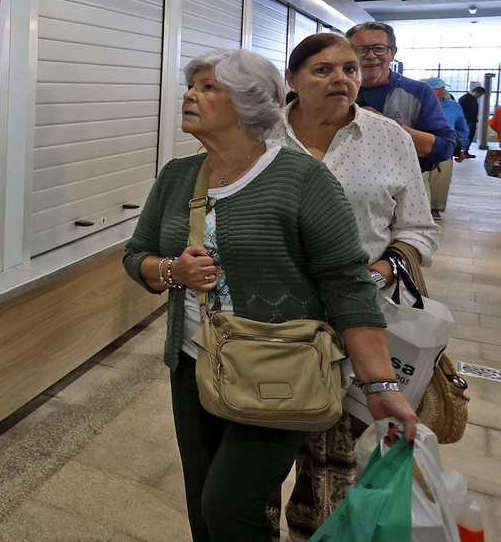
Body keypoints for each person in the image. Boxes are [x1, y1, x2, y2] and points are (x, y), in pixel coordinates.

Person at [122, 48, 416, 542]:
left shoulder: (303, 180)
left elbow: (346, 284)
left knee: (230, 504)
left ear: (250, 103)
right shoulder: (177, 176)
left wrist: (379, 385)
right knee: (203, 504)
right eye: (191, 86)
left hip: (283, 370)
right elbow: (137, 257)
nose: (190, 96)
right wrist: (173, 270)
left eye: (209, 87)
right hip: (196, 364)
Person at [273, 34, 437, 536]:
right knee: (257, 460)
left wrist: (384, 269)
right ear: (291, 80)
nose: (342, 79)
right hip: (271, 325)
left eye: (349, 69)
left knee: (334, 464)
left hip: (358, 326)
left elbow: (417, 229)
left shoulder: (389, 138)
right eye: (323, 70)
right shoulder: (261, 135)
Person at [345, 22, 457, 172]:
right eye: (361, 49)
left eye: (379, 48)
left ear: (392, 53)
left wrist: (387, 126)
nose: (371, 56)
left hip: (405, 183)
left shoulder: (418, 92)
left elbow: (445, 147)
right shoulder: (336, 91)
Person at [422, 79, 469, 219]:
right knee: (420, 179)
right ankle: (422, 208)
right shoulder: (419, 104)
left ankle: (435, 208)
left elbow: (462, 129)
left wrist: (462, 148)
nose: (441, 91)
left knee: (441, 179)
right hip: (422, 146)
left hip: (445, 147)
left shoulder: (454, 107)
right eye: (437, 88)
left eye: (442, 87)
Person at [458, 84, 484, 157]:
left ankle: (466, 151)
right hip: (467, 121)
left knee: (470, 137)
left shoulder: (473, 99)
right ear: (475, 92)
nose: (479, 96)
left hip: (472, 121)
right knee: (466, 137)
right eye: (480, 94)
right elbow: (459, 109)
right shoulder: (465, 98)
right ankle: (463, 152)